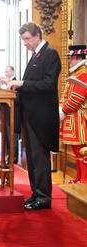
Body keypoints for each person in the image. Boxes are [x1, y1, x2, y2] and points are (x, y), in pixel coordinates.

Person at [5, 22, 61, 210]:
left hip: (41, 117)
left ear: (38, 35)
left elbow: (48, 84)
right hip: (30, 114)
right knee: (32, 159)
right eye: (23, 40)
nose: (25, 43)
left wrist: (21, 83)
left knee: (39, 158)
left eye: (27, 39)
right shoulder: (37, 55)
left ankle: (44, 198)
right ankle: (36, 193)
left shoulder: (50, 54)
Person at [59, 45, 87, 183]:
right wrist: (61, 107)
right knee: (77, 151)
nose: (69, 60)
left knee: (82, 151)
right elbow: (66, 95)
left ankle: (84, 179)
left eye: (71, 58)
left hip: (80, 119)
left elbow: (77, 98)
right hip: (72, 118)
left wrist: (64, 109)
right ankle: (79, 178)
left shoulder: (84, 74)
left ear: (78, 58)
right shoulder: (77, 74)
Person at [0, 65, 20, 164]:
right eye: (5, 72)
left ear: (12, 72)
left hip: (14, 113)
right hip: (6, 112)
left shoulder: (16, 82)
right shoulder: (5, 82)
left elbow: (17, 99)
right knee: (7, 135)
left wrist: (8, 84)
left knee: (13, 136)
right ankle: (8, 156)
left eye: (7, 72)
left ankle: (13, 158)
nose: (6, 74)